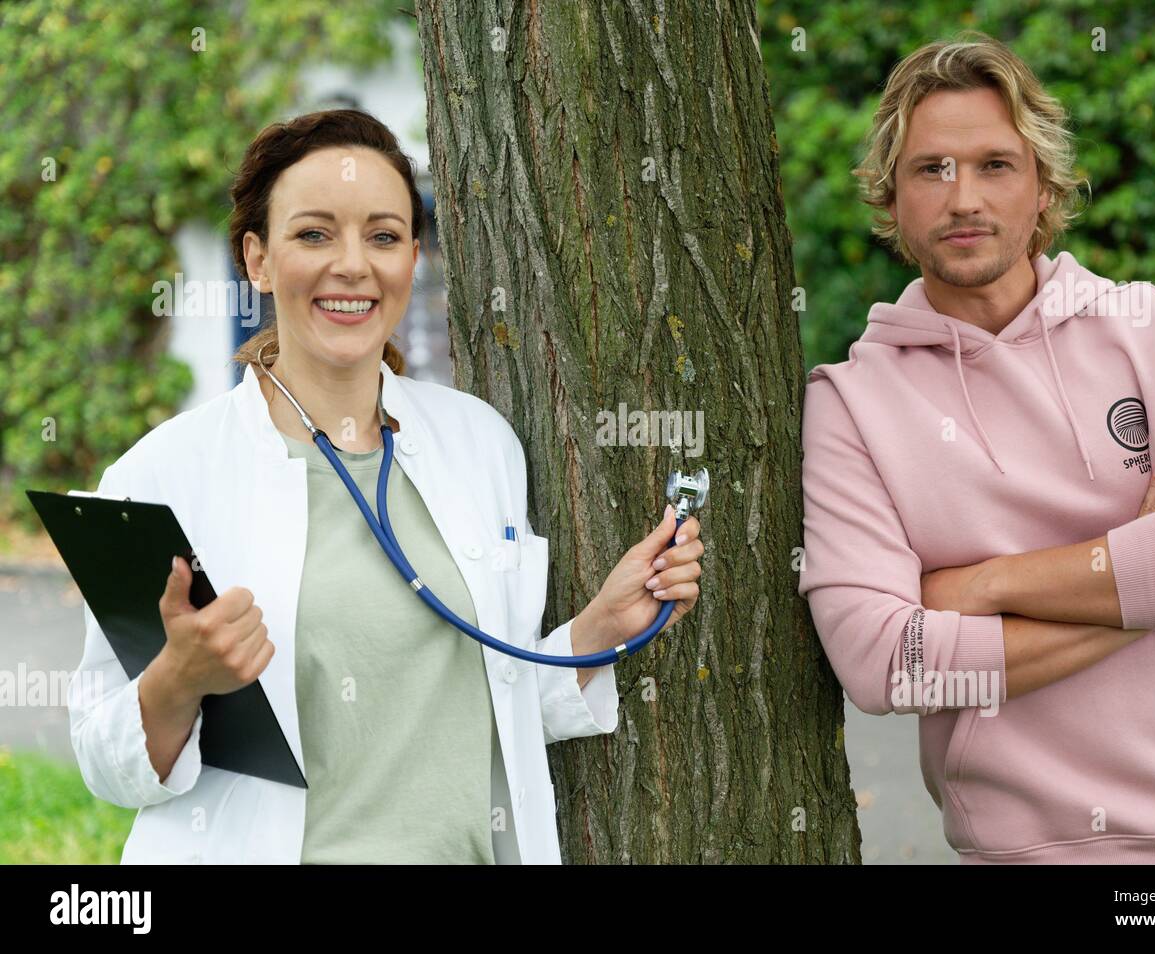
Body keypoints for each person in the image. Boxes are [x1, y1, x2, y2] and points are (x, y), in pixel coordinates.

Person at [67, 108, 704, 864]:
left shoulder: (480, 444)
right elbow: (104, 762)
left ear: (412, 257)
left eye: (383, 235)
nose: (352, 265)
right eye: (313, 234)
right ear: (257, 259)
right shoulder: (156, 477)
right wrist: (179, 678)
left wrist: (597, 634)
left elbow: (481, 706)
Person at [798, 32, 1155, 863]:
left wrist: (979, 585)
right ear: (891, 197)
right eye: (932, 169)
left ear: (1044, 189)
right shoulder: (851, 404)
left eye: (995, 164)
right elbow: (888, 660)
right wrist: (1147, 580)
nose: (963, 198)